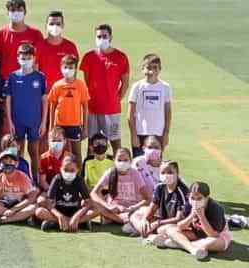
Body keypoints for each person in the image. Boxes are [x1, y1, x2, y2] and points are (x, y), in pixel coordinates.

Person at [80, 24, 130, 154]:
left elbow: (125, 83)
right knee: (92, 144)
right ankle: (89, 172)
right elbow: (87, 81)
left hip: (112, 110)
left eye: (105, 36)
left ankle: (118, 171)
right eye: (99, 36)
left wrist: (116, 99)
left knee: (115, 143)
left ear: (110, 37)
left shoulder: (121, 57)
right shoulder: (89, 57)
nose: (102, 39)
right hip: (93, 109)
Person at [153, 182, 232, 261]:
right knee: (166, 230)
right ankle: (192, 249)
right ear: (189, 196)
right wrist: (192, 215)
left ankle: (178, 243)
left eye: (199, 198)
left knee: (213, 242)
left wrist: (201, 216)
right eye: (192, 198)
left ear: (207, 198)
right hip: (196, 234)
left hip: (216, 237)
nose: (195, 201)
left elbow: (213, 234)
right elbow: (180, 226)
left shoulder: (216, 208)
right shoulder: (189, 204)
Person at [4, 42, 47, 181]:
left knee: (34, 152)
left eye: (28, 57)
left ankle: (35, 181)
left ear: (34, 58)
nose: (25, 60)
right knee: (18, 152)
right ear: (18, 58)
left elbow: (44, 101)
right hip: (17, 121)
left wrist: (44, 122)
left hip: (35, 121)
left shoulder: (40, 77)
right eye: (22, 57)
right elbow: (8, 100)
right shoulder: (13, 77)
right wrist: (10, 121)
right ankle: (19, 180)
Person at [90, 147, 152, 233]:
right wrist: (109, 206)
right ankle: (127, 221)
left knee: (145, 211)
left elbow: (147, 198)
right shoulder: (110, 172)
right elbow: (94, 193)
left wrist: (133, 208)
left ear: (130, 160)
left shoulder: (135, 173)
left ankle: (124, 221)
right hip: (114, 210)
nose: (122, 163)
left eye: (125, 160)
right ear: (114, 160)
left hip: (132, 210)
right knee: (92, 203)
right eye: (119, 160)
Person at [129, 160, 190, 239]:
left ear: (177, 173)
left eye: (170, 172)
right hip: (162, 220)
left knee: (163, 229)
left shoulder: (182, 191)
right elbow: (152, 208)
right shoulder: (159, 187)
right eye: (163, 173)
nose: (166, 175)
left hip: (175, 224)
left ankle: (146, 233)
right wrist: (145, 220)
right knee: (135, 215)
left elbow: (178, 218)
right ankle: (146, 231)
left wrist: (158, 223)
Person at [47, 55, 89, 167]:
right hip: (59, 125)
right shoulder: (57, 85)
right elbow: (52, 106)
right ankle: (59, 175)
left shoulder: (80, 85)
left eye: (71, 68)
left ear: (75, 69)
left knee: (76, 153)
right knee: (58, 153)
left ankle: (78, 178)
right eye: (66, 67)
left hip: (75, 125)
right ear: (61, 68)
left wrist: (85, 128)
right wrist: (52, 127)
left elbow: (85, 106)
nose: (68, 70)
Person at [36, 154, 96, 232]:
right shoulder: (57, 179)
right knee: (39, 211)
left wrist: (76, 216)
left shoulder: (79, 180)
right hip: (59, 211)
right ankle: (77, 223)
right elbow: (49, 203)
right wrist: (59, 216)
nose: (69, 173)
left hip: (74, 211)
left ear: (77, 170)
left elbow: (88, 202)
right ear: (61, 169)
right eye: (66, 170)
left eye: (72, 170)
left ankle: (58, 223)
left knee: (97, 209)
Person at [0, 0, 44, 80]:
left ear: (25, 12)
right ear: (8, 13)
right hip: (6, 81)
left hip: (28, 81)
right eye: (13, 10)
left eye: (19, 10)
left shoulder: (36, 34)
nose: (16, 13)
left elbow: (38, 61)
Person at [128, 54, 172, 158]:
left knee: (155, 164)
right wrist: (134, 135)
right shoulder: (137, 87)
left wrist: (166, 133)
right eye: (148, 68)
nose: (151, 71)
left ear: (160, 69)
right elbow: (130, 114)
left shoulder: (165, 87)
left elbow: (168, 112)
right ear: (143, 69)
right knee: (138, 165)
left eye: (155, 68)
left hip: (158, 133)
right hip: (140, 133)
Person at [0, 150, 39, 227]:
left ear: (16, 164)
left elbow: (32, 198)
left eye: (11, 161)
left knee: (34, 207)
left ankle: (2, 220)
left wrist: (13, 209)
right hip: (5, 204)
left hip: (20, 205)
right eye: (5, 161)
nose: (8, 163)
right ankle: (20, 217)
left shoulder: (22, 177)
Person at [38, 11, 79, 91]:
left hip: (64, 94)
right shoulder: (39, 46)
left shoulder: (70, 47)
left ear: (63, 26)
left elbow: (74, 74)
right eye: (51, 24)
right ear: (46, 26)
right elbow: (35, 74)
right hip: (44, 95)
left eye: (58, 24)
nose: (55, 27)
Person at [38, 127, 69, 194]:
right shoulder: (43, 158)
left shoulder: (69, 157)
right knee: (40, 201)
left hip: (65, 191)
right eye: (54, 140)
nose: (56, 143)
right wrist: (52, 191)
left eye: (59, 140)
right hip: (48, 190)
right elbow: (42, 181)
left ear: (65, 141)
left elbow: (72, 179)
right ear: (48, 142)